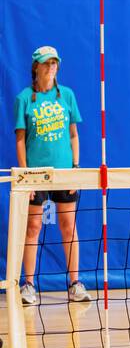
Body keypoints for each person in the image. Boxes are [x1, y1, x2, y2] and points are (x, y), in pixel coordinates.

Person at [13, 46, 90, 305]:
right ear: (36, 67)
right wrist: (26, 175)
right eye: (46, 63)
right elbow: (21, 140)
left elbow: (73, 135)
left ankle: (75, 284)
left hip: (65, 173)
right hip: (36, 174)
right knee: (33, 227)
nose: (51, 67)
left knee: (69, 227)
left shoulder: (66, 95)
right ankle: (29, 285)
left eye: (54, 63)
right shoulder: (25, 98)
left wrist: (76, 169)